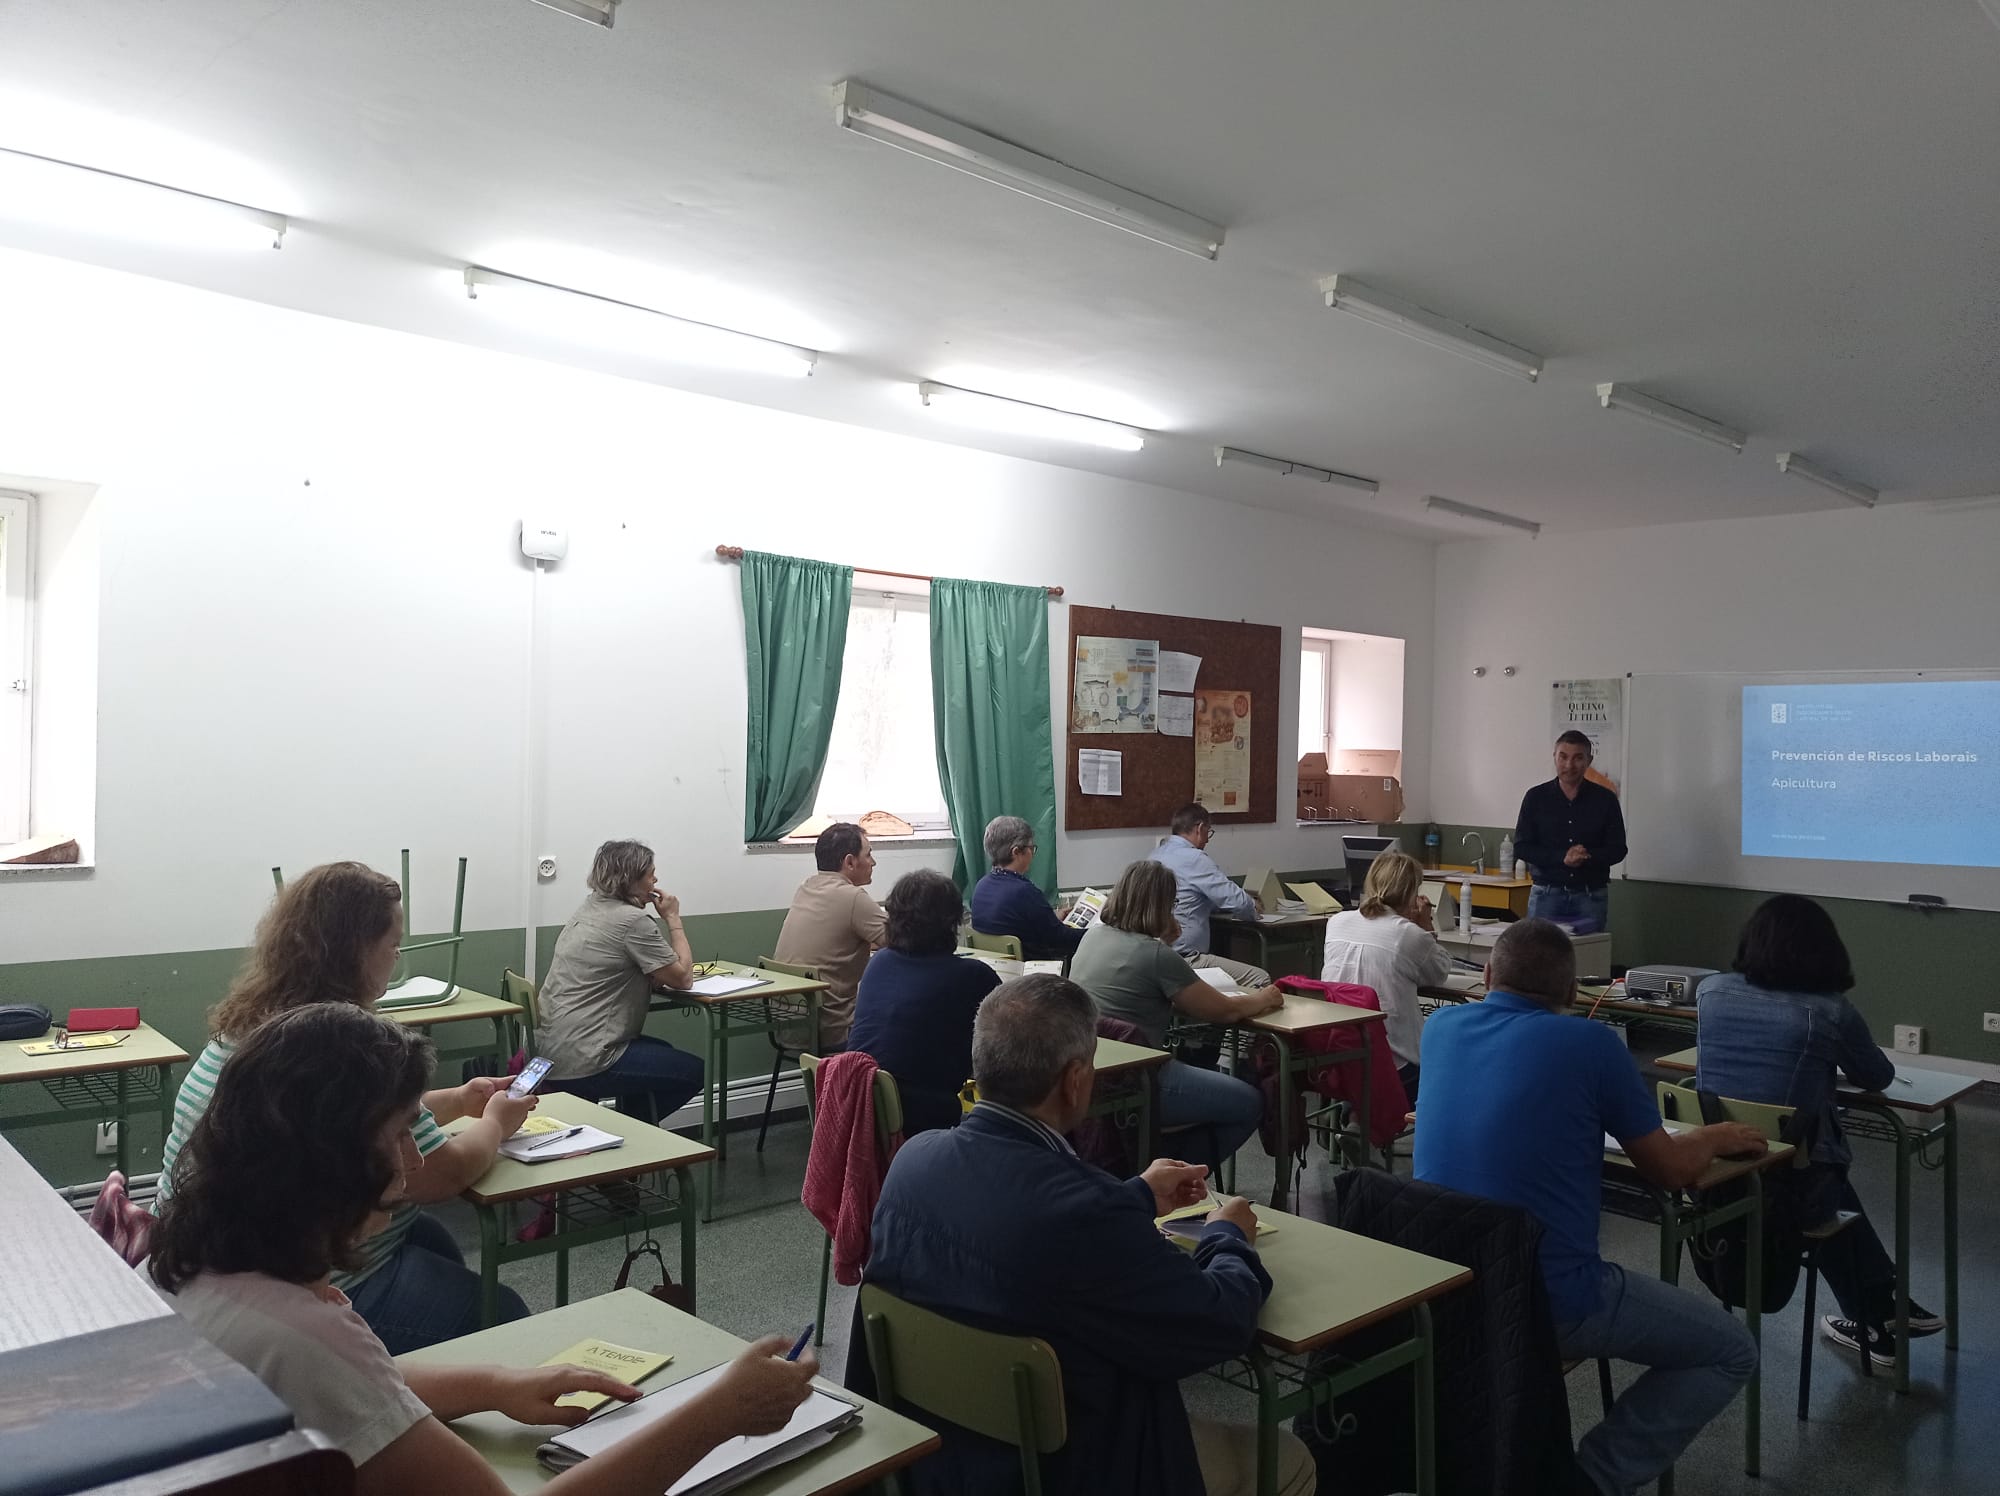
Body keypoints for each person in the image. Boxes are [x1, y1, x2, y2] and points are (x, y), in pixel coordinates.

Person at [151, 1003, 819, 1495]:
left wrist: (495, 1385)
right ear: (330, 1161)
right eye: (398, 1136)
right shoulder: (302, 1332)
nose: (414, 1159)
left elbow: (352, 1391)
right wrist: (722, 1413)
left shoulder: (203, 1267)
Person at [856, 975, 1315, 1496]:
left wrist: (1136, 1195)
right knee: (1289, 1459)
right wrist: (1226, 1237)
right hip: (1075, 1467)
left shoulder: (912, 1161)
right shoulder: (1085, 1213)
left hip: (939, 1458)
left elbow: (1024, 1216)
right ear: (1076, 1080)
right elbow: (1215, 1326)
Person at [1416, 919, 1765, 1496]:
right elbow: (1672, 1171)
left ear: (1487, 975)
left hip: (1445, 1288)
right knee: (1730, 1350)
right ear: (1570, 992)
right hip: (1549, 1296)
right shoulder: (1592, 1043)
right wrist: (1713, 1136)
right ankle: (1590, 1482)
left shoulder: (1442, 1027)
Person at [156, 861, 536, 1352]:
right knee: (503, 1310)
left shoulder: (259, 1023)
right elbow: (441, 1174)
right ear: (357, 948)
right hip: (278, 1278)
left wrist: (459, 1101)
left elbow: (346, 1121)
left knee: (430, 1238)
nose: (397, 958)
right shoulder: (332, 1045)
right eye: (393, 945)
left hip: (202, 1257)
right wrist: (495, 1123)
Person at [1695, 894, 1941, 1366]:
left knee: (1824, 1180)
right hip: (1792, 1189)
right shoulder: (1830, 1012)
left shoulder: (1711, 992)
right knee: (1822, 1179)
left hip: (1719, 1174)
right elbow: (1878, 1078)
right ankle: (1879, 1307)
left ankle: (1878, 1311)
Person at [1069, 860, 1276, 1170]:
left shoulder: (1092, 937)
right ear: (1163, 905)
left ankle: (1149, 1161)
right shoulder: (1155, 955)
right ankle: (1172, 1171)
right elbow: (1227, 1011)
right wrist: (1265, 997)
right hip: (1140, 1077)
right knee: (1249, 1102)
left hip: (1091, 1070)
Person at [538, 839, 705, 1124]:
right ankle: (633, 1131)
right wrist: (673, 919)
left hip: (551, 1050)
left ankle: (632, 1138)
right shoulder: (632, 921)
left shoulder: (589, 908)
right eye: (650, 873)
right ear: (631, 880)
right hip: (588, 1059)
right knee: (696, 1071)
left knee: (663, 1052)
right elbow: (683, 978)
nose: (656, 879)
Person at [846, 869, 1002, 1134]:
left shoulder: (879, 963)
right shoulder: (971, 975)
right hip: (924, 1117)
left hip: (861, 1105)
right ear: (950, 923)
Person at [1318, 850, 1449, 1105]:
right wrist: (1425, 926)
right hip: (1394, 1066)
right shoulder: (1409, 935)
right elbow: (1439, 973)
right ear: (1411, 892)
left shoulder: (1336, 922)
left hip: (1336, 1056)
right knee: (1447, 1067)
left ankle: (1358, 1114)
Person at [775, 822, 887, 1050]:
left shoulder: (806, 888)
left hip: (789, 1026)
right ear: (849, 862)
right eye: (869, 854)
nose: (873, 862)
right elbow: (908, 941)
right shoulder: (853, 897)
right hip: (833, 1030)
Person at [1148, 803, 1273, 989]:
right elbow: (1236, 901)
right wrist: (1253, 908)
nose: (1208, 840)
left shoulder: (1154, 856)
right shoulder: (1195, 859)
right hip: (1185, 959)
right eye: (1209, 832)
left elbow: (1195, 897)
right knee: (1260, 978)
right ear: (1200, 828)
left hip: (1155, 955)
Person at [1513, 731, 1627, 930]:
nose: (1569, 765)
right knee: (1540, 957)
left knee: (1589, 957)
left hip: (1590, 895)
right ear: (1554, 757)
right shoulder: (1535, 797)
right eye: (1563, 757)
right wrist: (1561, 857)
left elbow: (1618, 849)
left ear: (1589, 760)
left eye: (1577, 758)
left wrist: (1587, 856)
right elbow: (1522, 847)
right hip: (1546, 895)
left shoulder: (1605, 799)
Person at [968, 815, 1082, 961]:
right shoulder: (1024, 892)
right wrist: (1096, 933)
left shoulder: (981, 886)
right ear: (1016, 852)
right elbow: (1060, 939)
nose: (1032, 854)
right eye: (1031, 848)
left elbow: (1015, 926)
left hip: (998, 969)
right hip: (1032, 974)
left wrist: (1053, 919)